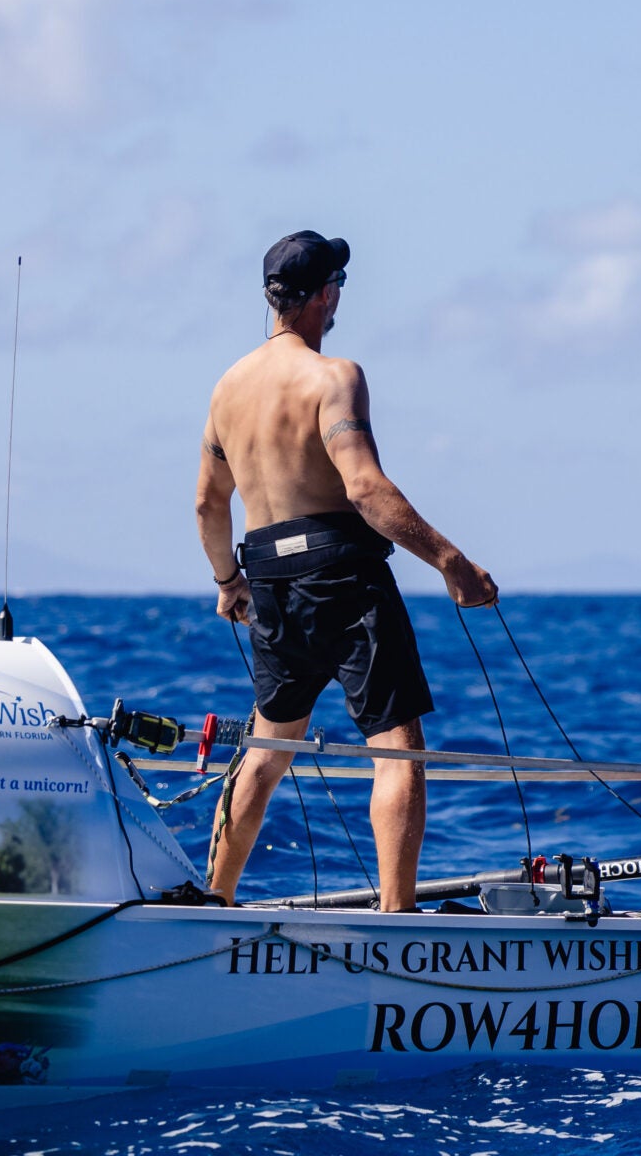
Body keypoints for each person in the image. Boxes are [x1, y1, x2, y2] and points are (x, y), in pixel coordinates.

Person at [194, 230, 499, 911]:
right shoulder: (335, 378)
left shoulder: (227, 389)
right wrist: (453, 565)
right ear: (324, 295)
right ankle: (398, 916)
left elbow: (208, 502)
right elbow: (363, 488)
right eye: (338, 291)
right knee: (399, 753)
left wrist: (227, 583)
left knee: (268, 747)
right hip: (342, 574)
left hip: (267, 577)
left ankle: (212, 902)